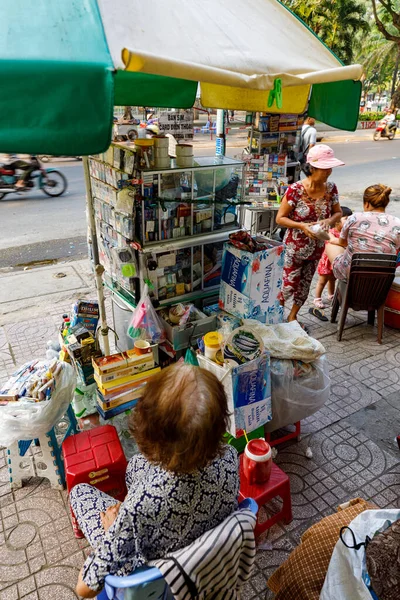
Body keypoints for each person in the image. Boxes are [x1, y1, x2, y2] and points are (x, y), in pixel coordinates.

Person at [70, 363, 239, 598]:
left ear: (149, 435)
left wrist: (112, 531)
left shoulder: (138, 510)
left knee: (79, 492)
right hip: (201, 554)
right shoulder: (230, 458)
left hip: (157, 581)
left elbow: (84, 588)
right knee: (136, 465)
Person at [276, 144, 344, 324]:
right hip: (294, 247)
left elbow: (338, 212)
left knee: (305, 283)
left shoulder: (331, 189)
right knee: (288, 284)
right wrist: (302, 226)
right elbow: (280, 218)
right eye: (325, 168)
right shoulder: (295, 190)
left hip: (317, 247)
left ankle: (293, 316)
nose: (329, 172)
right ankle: (276, 315)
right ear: (312, 168)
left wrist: (329, 221)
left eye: (330, 168)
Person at [325, 184, 400, 282]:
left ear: (367, 204)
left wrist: (330, 237)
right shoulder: (397, 222)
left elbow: (343, 243)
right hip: (383, 275)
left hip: (352, 272)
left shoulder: (354, 218)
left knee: (330, 245)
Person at [310, 207, 353, 321]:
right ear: (338, 221)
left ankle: (331, 295)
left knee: (333, 279)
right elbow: (331, 240)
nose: (349, 221)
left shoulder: (346, 234)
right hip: (327, 261)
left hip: (336, 261)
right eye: (346, 218)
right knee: (323, 280)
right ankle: (317, 298)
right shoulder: (331, 232)